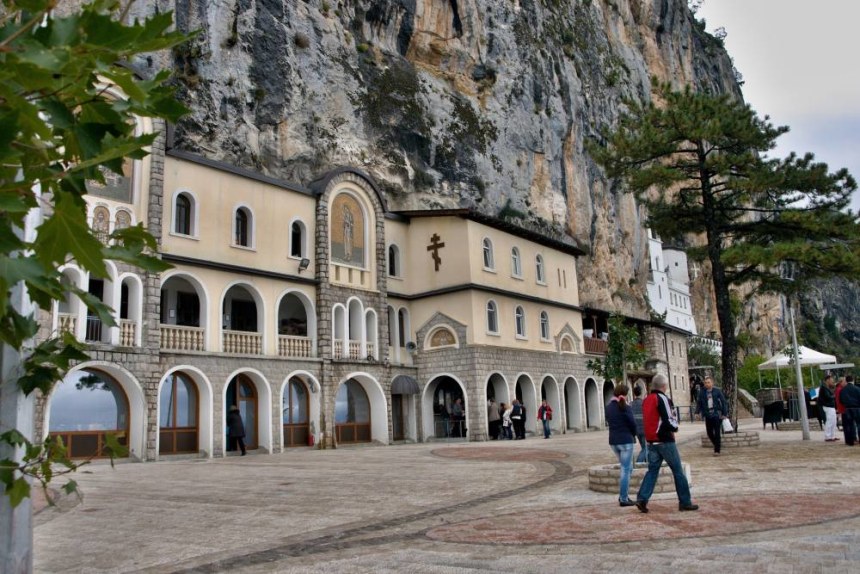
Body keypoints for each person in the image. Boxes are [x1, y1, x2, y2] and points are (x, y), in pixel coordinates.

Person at [636, 374, 698, 513]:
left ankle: (642, 498)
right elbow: (668, 417)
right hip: (664, 440)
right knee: (678, 471)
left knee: (652, 471)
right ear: (664, 386)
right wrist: (674, 428)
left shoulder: (646, 400)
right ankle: (685, 501)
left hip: (651, 441)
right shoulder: (662, 398)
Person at [605, 383, 637, 507]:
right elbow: (632, 423)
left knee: (627, 468)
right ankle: (623, 498)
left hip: (614, 442)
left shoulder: (608, 407)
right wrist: (634, 434)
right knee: (625, 469)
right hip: (626, 441)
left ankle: (624, 496)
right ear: (625, 394)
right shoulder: (625, 407)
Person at [695, 376, 728, 456]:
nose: (707, 384)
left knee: (717, 432)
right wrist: (697, 412)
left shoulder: (717, 391)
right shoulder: (702, 392)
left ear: (712, 383)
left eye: (708, 382)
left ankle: (717, 450)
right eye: (706, 382)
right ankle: (717, 444)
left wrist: (724, 414)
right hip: (707, 414)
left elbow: (724, 402)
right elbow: (699, 402)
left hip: (716, 414)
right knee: (709, 433)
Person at [839, 375, 860, 446]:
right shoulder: (857, 389)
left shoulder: (843, 390)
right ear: (853, 380)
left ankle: (851, 441)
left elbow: (841, 400)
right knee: (859, 424)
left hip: (847, 408)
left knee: (850, 425)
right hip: (857, 408)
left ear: (846, 381)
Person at [819, 375, 839, 442]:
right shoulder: (824, 388)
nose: (832, 381)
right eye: (831, 380)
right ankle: (828, 436)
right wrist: (834, 396)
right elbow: (828, 397)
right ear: (828, 380)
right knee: (829, 421)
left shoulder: (827, 387)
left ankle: (832, 436)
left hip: (831, 406)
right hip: (828, 406)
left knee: (833, 421)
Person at [631, 384, 647, 463]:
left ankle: (646, 461)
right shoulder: (644, 403)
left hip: (636, 430)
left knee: (643, 447)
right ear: (641, 393)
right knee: (646, 448)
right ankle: (639, 462)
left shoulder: (631, 404)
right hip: (644, 429)